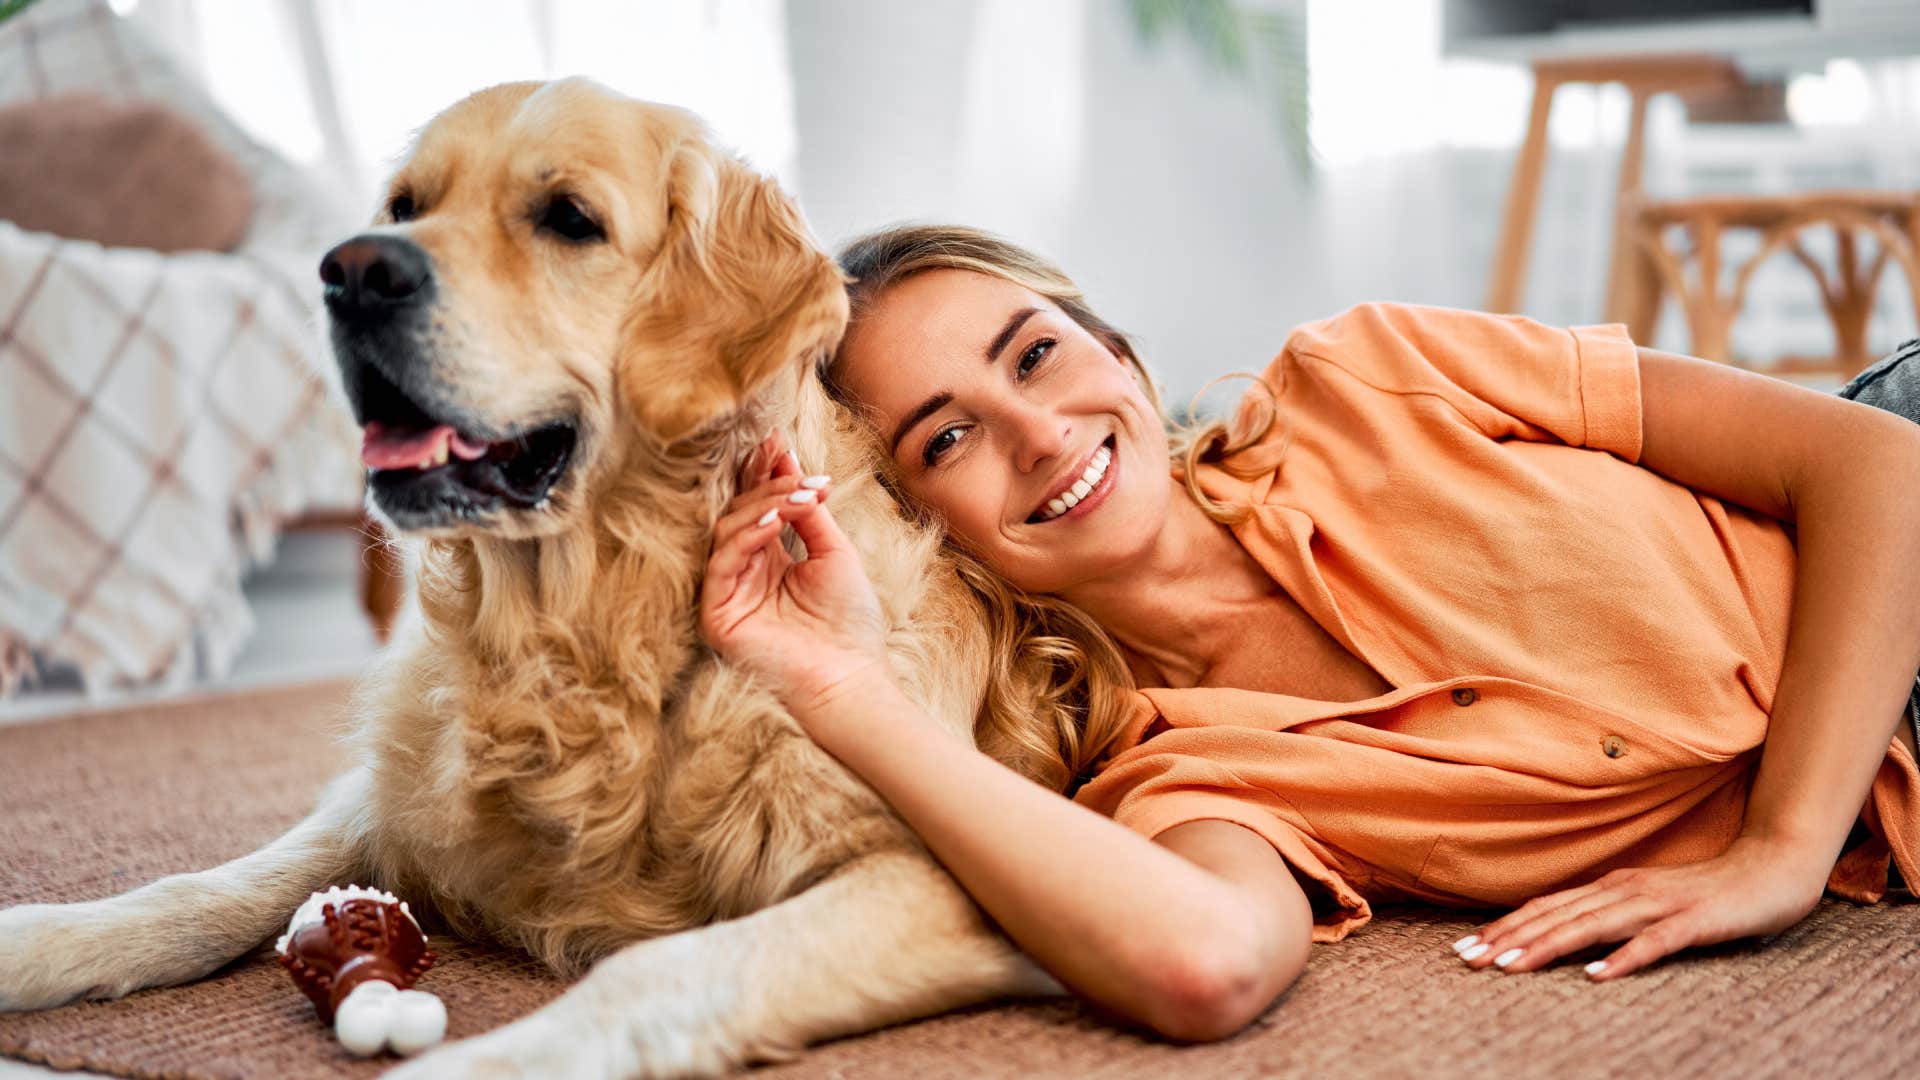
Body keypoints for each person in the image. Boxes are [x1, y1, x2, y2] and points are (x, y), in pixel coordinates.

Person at [698, 224, 1920, 1042]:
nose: (1039, 430)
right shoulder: (1181, 774)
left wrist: (1781, 847)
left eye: (1038, 355)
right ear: (921, 529)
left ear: (1116, 350)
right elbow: (1208, 964)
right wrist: (840, 688)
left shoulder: (1372, 372)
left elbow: (1877, 461)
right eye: (946, 439)